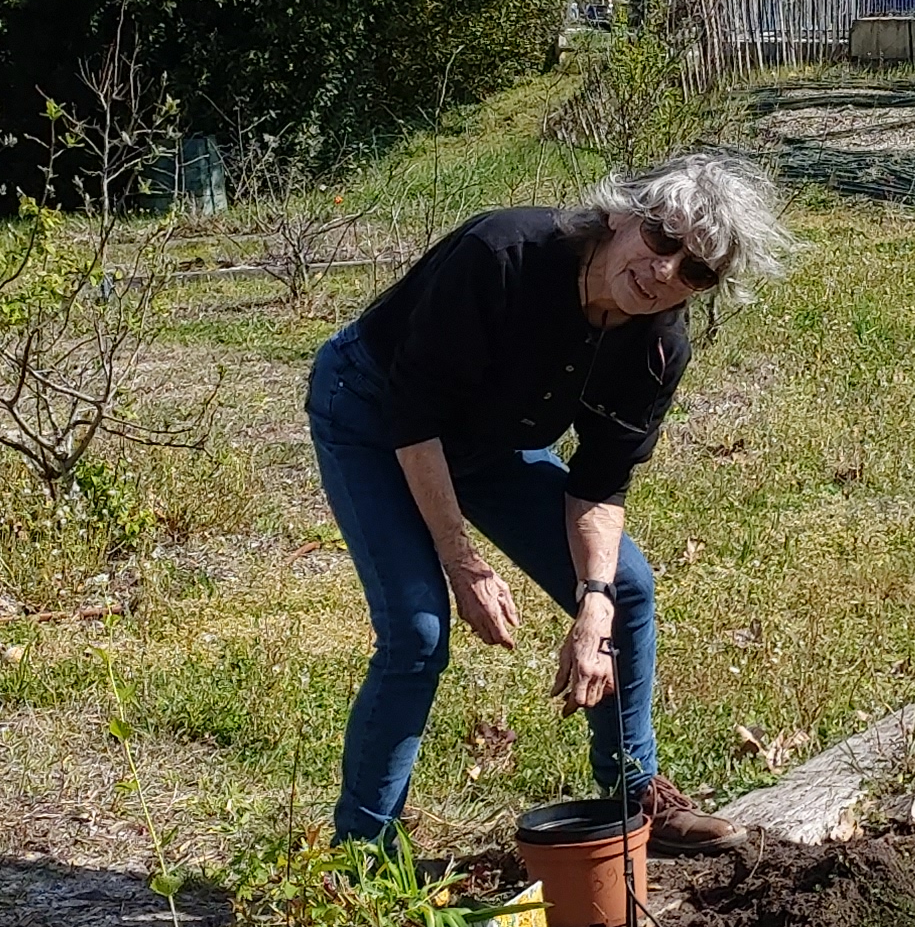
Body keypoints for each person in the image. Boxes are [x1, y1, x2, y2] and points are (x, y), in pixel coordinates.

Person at [306, 155, 791, 855]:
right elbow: (413, 415)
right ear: (622, 215)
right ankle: (362, 853)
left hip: (488, 439)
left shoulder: (657, 345)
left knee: (624, 588)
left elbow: (598, 482)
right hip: (375, 412)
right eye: (662, 240)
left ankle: (636, 794)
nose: (665, 273)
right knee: (417, 629)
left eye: (695, 272)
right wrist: (463, 562)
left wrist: (593, 602)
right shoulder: (502, 256)